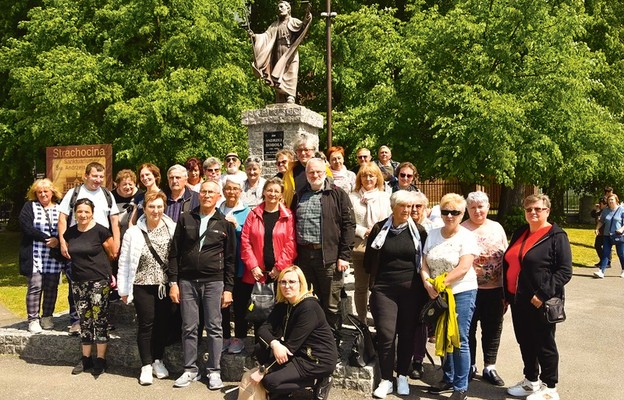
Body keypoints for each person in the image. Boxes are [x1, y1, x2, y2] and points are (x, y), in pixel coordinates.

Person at [168, 180, 235, 390]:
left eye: (211, 192)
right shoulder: (185, 218)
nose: (206, 195)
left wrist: (228, 289)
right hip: (187, 281)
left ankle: (214, 371)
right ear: (200, 195)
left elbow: (231, 260)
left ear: (218, 197)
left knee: (215, 328)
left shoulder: (224, 223)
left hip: (214, 282)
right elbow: (174, 253)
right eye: (203, 191)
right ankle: (189, 369)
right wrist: (173, 282)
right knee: (189, 326)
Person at [503, 194, 572, 400]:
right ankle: (531, 381)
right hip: (518, 299)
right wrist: (506, 295)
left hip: (540, 301)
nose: (533, 212)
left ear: (547, 211)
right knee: (525, 341)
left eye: (538, 209)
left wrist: (542, 294)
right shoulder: (520, 232)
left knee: (544, 343)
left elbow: (564, 271)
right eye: (529, 209)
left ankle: (550, 387)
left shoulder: (556, 236)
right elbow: (510, 263)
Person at [364, 191, 427, 398]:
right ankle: (386, 379)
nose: (408, 210)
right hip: (384, 289)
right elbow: (368, 261)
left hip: (412, 290)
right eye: (403, 206)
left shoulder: (419, 231)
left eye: (411, 207)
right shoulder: (379, 229)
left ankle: (402, 376)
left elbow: (423, 261)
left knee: (407, 333)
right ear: (393, 207)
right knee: (386, 334)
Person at [421, 193, 479, 400]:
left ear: (462, 213)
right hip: (437, 293)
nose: (450, 216)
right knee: (443, 335)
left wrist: (440, 284)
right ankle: (447, 377)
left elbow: (464, 268)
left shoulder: (467, 236)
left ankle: (460, 386)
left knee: (459, 339)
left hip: (461, 292)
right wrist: (428, 283)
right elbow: (424, 263)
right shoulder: (433, 234)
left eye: (455, 212)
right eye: (446, 211)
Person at [249, 266, 337, 400]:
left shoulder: (309, 308)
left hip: (315, 359)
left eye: (292, 282)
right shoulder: (284, 304)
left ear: (301, 284)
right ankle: (286, 387)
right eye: (283, 282)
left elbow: (290, 348)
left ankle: (318, 380)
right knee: (260, 347)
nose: (287, 286)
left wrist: (263, 370)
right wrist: (274, 343)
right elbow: (263, 329)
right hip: (297, 352)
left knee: (269, 382)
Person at [117, 191, 176, 385]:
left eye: (159, 206)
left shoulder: (172, 228)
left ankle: (158, 360)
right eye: (152, 206)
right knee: (146, 324)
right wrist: (123, 289)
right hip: (142, 284)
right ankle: (146, 365)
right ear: (144, 208)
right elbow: (124, 261)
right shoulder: (133, 232)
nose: (156, 210)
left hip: (165, 285)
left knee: (162, 324)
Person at [291, 158, 355, 333]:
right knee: (306, 300)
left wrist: (344, 256)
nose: (315, 175)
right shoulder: (299, 195)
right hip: (304, 257)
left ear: (325, 172)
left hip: (329, 258)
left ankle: (332, 344)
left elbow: (349, 225)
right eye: (311, 172)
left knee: (331, 304)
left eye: (319, 172)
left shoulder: (337, 194)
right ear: (306, 174)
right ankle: (312, 341)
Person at [58, 162, 120, 335]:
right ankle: (76, 320)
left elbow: (114, 220)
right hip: (77, 242)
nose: (98, 180)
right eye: (94, 176)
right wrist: (63, 242)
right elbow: (62, 218)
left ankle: (102, 320)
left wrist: (116, 243)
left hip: (101, 244)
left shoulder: (107, 194)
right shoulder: (74, 193)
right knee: (75, 283)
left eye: (101, 177)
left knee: (102, 283)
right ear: (86, 175)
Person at [63, 198, 116, 376]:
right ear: (75, 213)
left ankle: (100, 359)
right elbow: (67, 251)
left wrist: (108, 274)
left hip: (98, 281)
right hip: (78, 282)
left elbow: (112, 252)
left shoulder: (101, 231)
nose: (83, 215)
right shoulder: (70, 233)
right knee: (84, 320)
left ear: (92, 212)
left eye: (86, 211)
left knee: (99, 318)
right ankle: (86, 359)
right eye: (79, 211)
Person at [461, 191, 508, 386]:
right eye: (473, 207)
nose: (477, 210)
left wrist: (507, 291)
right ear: (467, 209)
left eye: (481, 206)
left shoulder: (497, 228)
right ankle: (469, 365)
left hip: (495, 289)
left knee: (493, 328)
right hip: (468, 289)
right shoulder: (462, 229)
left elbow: (506, 260)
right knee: (468, 329)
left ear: (488, 207)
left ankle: (490, 366)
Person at [240, 177, 297, 335]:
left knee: (281, 314)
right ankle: (260, 350)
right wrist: (253, 266)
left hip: (280, 274)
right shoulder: (253, 214)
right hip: (258, 274)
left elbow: (291, 244)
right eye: (269, 190)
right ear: (263, 192)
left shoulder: (288, 216)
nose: (272, 194)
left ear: (281, 195)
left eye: (276, 191)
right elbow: (245, 242)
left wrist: (280, 267)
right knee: (260, 314)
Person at [18, 179, 66, 333]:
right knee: (35, 286)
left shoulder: (60, 208)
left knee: (51, 287)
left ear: (52, 192)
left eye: (46, 191)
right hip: (35, 253)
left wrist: (58, 241)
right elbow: (26, 226)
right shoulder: (30, 206)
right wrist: (47, 239)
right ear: (35, 194)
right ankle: (33, 319)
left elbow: (65, 228)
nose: (43, 194)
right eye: (39, 192)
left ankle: (47, 316)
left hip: (53, 255)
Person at [348, 163, 391, 324]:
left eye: (371, 175)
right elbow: (348, 222)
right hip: (360, 246)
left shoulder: (384, 197)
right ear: (360, 178)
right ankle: (362, 320)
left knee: (378, 286)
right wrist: (363, 230)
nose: (368, 179)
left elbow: (389, 219)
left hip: (381, 246)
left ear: (377, 177)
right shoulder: (352, 198)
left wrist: (378, 230)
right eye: (364, 176)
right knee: (361, 286)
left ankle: (379, 317)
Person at [249, 1, 312, 104]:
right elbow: (266, 36)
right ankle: (280, 98)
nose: (280, 9)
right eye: (278, 7)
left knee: (291, 73)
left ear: (288, 8)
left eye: (282, 7)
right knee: (278, 75)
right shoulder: (275, 25)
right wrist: (255, 36)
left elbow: (303, 26)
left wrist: (307, 16)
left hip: (290, 51)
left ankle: (291, 96)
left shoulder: (294, 21)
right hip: (278, 52)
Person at [218, 177, 251, 354]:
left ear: (240, 192)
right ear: (223, 191)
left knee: (239, 304)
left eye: (235, 189)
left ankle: (239, 337)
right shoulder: (217, 210)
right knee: (221, 305)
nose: (231, 192)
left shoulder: (247, 212)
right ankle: (224, 337)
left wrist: (236, 226)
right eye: (228, 188)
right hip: (218, 265)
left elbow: (251, 236)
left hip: (239, 264)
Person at [283, 134, 331, 207]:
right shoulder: (290, 172)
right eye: (299, 150)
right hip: (295, 214)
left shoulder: (323, 169)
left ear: (313, 151)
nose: (303, 153)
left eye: (306, 150)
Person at [593, 193, 624, 278]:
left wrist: (621, 229)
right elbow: (601, 221)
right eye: (609, 200)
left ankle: (623, 269)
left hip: (618, 235)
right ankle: (601, 271)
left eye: (612, 200)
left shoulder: (621, 210)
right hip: (607, 235)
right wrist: (597, 228)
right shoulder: (606, 210)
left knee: (621, 253)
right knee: (605, 252)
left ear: (616, 200)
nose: (610, 201)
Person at [590, 196, 610, 268]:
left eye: (601, 203)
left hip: (605, 232)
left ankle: (607, 262)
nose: (599, 204)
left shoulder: (608, 211)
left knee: (606, 247)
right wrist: (595, 209)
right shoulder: (600, 210)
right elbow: (593, 215)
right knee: (597, 245)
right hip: (600, 232)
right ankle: (603, 260)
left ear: (605, 204)